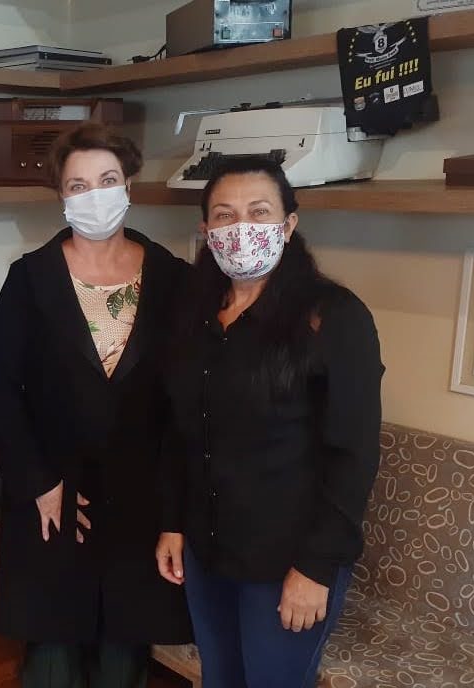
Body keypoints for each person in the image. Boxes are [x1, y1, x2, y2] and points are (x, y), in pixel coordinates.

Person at [156, 157, 384, 688]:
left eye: (259, 212)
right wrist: (173, 522)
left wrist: (315, 568)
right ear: (206, 229)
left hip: (287, 561)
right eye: (225, 215)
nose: (241, 227)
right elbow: (180, 431)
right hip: (208, 549)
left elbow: (353, 455)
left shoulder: (333, 316)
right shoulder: (195, 313)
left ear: (288, 224)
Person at [0, 123, 192, 688]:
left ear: (128, 185)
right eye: (78, 185)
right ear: (61, 195)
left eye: (107, 180)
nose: (94, 195)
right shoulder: (31, 277)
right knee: (51, 656)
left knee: (123, 658)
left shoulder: (174, 279)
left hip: (140, 501)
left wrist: (174, 513)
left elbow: (186, 403)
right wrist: (37, 481)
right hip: (54, 494)